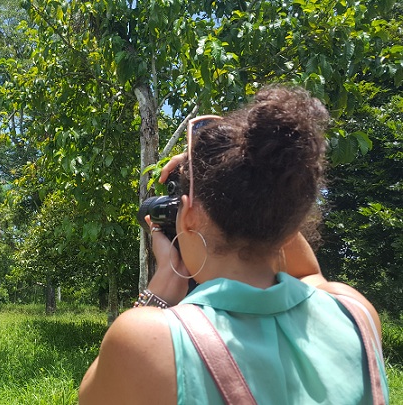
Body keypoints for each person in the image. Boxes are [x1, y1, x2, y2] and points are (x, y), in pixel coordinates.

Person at [79, 85, 389, 404]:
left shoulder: (146, 341)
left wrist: (159, 290)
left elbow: (89, 395)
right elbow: (308, 272)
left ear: (188, 218)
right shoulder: (355, 313)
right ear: (292, 223)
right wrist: (251, 178)